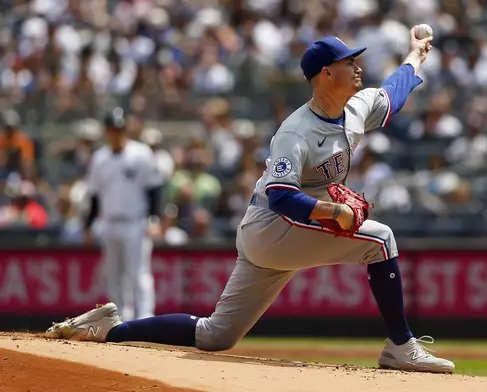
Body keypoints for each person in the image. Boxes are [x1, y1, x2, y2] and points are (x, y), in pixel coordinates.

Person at [45, 28, 455, 373]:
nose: (358, 66)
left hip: (283, 233)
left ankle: (109, 329)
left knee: (215, 335)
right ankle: (401, 345)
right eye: (350, 62)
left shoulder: (355, 108)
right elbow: (280, 196)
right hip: (272, 227)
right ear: (327, 74)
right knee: (380, 239)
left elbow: (394, 92)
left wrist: (416, 54)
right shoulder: (296, 131)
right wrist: (333, 210)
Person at [82, 108, 164, 321]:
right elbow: (94, 196)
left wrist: (154, 218)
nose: (115, 132)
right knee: (114, 275)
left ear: (125, 129)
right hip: (109, 222)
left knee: (138, 272)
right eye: (111, 129)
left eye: (119, 128)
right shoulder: (100, 159)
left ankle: (146, 317)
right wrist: (89, 225)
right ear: (106, 131)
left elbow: (154, 189)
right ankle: (120, 319)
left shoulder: (141, 153)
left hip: (135, 222)